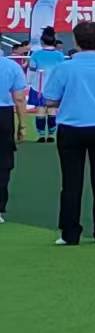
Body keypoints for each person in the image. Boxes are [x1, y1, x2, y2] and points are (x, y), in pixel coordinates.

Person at [42, 21, 95, 246]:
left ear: (75, 41)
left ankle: (69, 232)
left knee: (71, 181)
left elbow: (50, 99)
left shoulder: (64, 68)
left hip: (71, 128)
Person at [0, 48, 22, 223]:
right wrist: (22, 124)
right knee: (3, 162)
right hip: (3, 115)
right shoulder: (11, 66)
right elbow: (19, 99)